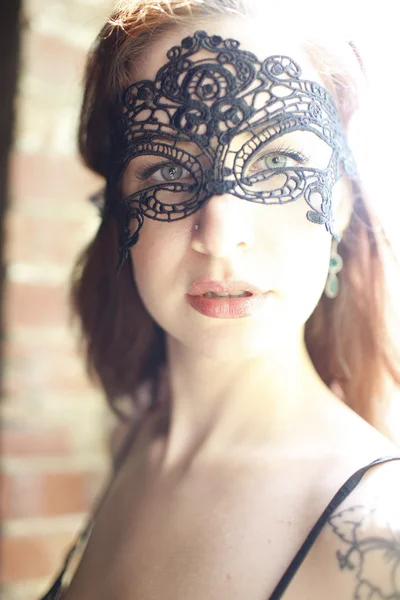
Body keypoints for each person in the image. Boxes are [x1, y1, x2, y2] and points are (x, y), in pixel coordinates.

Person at [40, 0, 400, 598]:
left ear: (338, 202)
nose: (220, 233)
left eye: (279, 162)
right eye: (164, 171)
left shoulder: (375, 541)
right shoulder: (133, 441)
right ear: (119, 209)